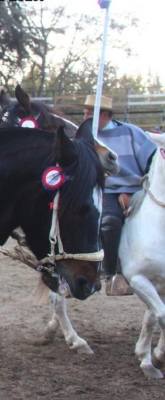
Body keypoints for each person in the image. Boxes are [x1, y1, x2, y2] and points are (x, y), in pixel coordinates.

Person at [79, 94, 157, 295]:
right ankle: (114, 274)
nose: (85, 117)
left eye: (90, 113)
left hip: (139, 188)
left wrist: (138, 189)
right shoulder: (85, 137)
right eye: (85, 113)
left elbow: (152, 161)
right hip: (106, 191)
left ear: (104, 115)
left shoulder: (131, 133)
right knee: (110, 222)